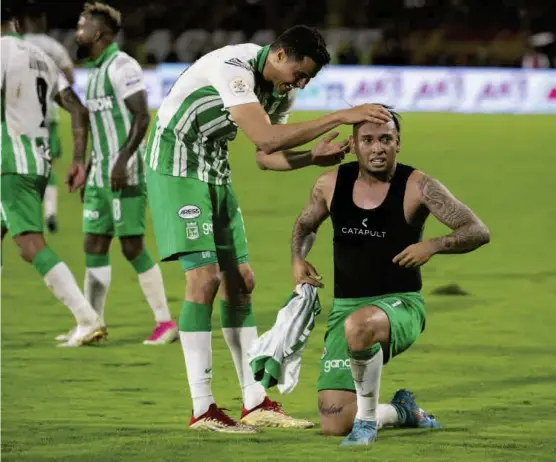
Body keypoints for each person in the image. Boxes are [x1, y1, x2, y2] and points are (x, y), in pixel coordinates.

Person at [144, 24, 392, 433]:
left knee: (240, 281)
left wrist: (312, 158)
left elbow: (264, 156)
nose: (302, 83)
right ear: (279, 56)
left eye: (309, 78)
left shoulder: (282, 88)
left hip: (213, 170)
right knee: (204, 281)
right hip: (175, 166)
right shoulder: (233, 67)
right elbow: (265, 136)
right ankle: (203, 408)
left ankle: (254, 401)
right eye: (300, 74)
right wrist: (340, 116)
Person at [290, 108, 490, 446]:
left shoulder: (419, 186)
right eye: (367, 140)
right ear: (353, 145)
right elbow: (306, 225)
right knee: (334, 422)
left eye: (386, 139)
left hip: (401, 306)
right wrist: (298, 259)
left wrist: (433, 244)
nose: (377, 148)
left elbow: (477, 230)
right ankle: (401, 412)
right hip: (346, 307)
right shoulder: (329, 183)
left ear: (398, 143)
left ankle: (367, 423)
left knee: (361, 325)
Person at [60, 2, 178, 345]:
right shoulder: (96, 70)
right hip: (101, 176)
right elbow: (99, 126)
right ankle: (91, 323)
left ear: (99, 33)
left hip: (124, 172)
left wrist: (121, 161)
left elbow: (142, 117)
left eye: (82, 27)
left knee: (131, 246)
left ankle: (164, 323)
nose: (77, 33)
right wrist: (90, 167)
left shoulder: (122, 65)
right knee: (93, 244)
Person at [1, 1, 103, 347]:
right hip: (38, 159)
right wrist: (77, 158)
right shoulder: (40, 55)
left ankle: (86, 318)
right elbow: (77, 107)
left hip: (10, 160)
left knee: (30, 244)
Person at [22, 0, 75, 233]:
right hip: (48, 114)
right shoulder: (53, 46)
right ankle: (50, 212)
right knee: (47, 165)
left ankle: (23, 213)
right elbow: (70, 77)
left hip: (20, 115)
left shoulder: (16, 45)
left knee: (19, 164)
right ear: (42, 21)